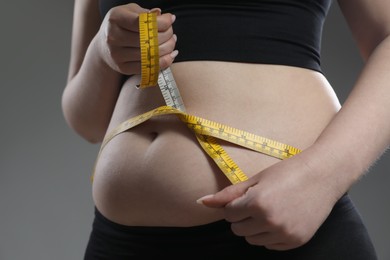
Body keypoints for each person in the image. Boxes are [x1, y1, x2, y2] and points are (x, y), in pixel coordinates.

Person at [62, 0, 389, 258]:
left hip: (275, 229)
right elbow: (88, 124)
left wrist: (323, 178)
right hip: (122, 242)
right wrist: (101, 53)